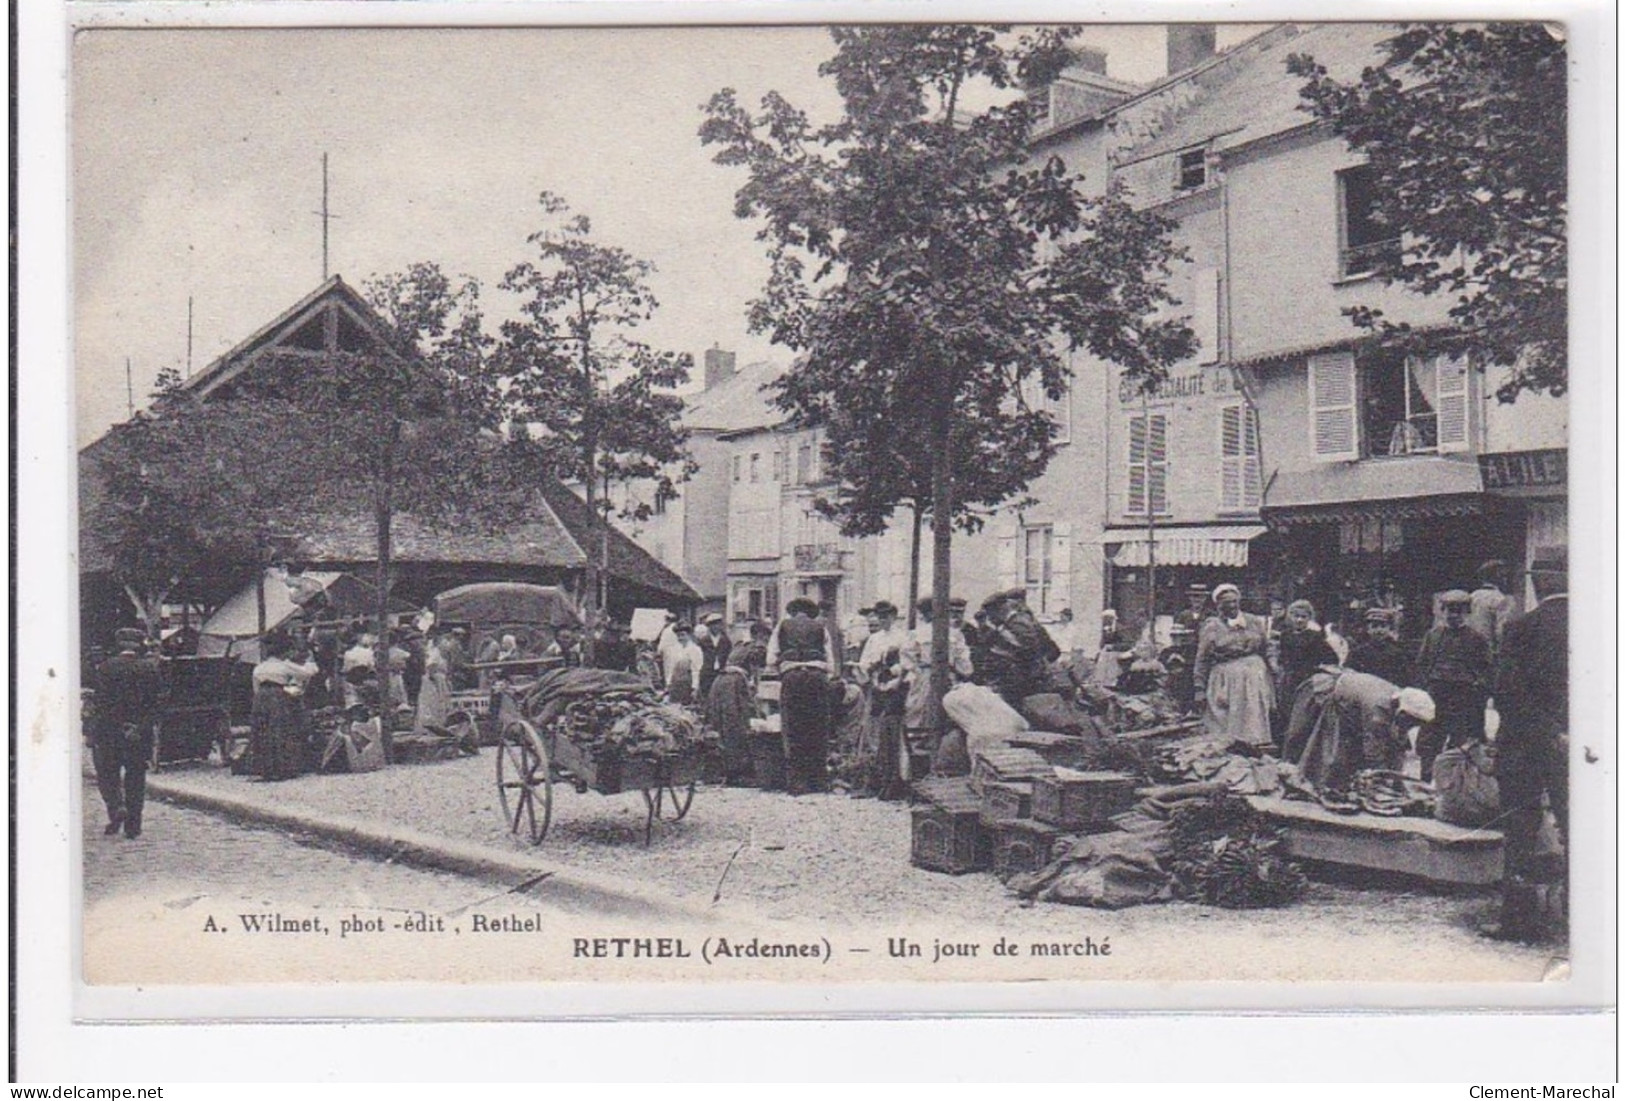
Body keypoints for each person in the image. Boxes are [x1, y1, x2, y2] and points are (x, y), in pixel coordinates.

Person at [1484, 553, 1568, 943]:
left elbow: (1505, 693)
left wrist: (1543, 731)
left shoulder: (1521, 628)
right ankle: (1586, 918)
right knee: (1585, 828)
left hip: (1525, 745)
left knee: (1519, 830)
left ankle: (1518, 920)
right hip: (1587, 746)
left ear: (1540, 583)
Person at [1282, 668, 1435, 799]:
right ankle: (1309, 785)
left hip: (1351, 700)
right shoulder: (1377, 708)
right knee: (1328, 753)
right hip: (1329, 693)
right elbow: (1373, 751)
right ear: (1404, 713)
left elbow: (1398, 743)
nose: (1413, 727)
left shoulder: (1398, 701)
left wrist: (1397, 779)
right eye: (1413, 722)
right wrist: (1384, 782)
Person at [90, 628, 164, 839]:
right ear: (139, 645)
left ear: (119, 644)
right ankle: (133, 827)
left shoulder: (105, 668)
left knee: (108, 774)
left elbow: (101, 704)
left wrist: (110, 727)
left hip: (110, 733)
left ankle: (116, 808)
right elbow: (157, 704)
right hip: (138, 734)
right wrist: (138, 727)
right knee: (136, 778)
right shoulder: (150, 669)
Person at [1414, 589, 1492, 781]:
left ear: (1466, 612)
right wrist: (1425, 687)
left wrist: (1477, 689)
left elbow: (1487, 669)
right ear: (1442, 611)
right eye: (1449, 610)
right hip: (1437, 695)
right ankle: (1426, 781)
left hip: (1464, 697)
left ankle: (1453, 785)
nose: (1453, 615)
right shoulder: (1433, 636)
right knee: (1429, 741)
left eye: (1458, 610)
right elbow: (1422, 663)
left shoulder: (1476, 638)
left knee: (1460, 744)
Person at [767, 598, 838, 795]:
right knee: (818, 726)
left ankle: (798, 782)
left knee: (793, 727)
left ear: (792, 611)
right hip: (816, 677)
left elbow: (771, 658)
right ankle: (818, 780)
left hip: (793, 677)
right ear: (811, 612)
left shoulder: (782, 626)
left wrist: (783, 667)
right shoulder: (820, 628)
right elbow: (830, 661)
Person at [1193, 583, 1274, 746]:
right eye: (1225, 602)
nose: (1231, 606)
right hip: (1225, 678)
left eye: (1234, 601)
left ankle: (1256, 747)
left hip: (1253, 676)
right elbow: (1202, 658)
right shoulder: (1212, 626)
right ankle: (1229, 748)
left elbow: (1268, 646)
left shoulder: (1253, 621)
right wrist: (1199, 688)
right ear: (1218, 605)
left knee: (1253, 715)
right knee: (1225, 717)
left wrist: (1273, 664)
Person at [902, 597, 973, 779]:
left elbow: (907, 661)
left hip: (925, 678)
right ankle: (947, 764)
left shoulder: (916, 634)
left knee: (918, 719)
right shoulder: (955, 634)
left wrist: (919, 671)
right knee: (952, 718)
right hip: (949, 678)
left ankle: (919, 770)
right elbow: (965, 666)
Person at [858, 600, 910, 799]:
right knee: (873, 728)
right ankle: (876, 775)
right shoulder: (874, 639)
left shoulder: (902, 636)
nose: (882, 620)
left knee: (892, 730)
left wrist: (891, 672)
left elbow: (905, 665)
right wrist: (872, 667)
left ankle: (894, 777)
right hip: (877, 686)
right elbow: (864, 663)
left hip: (895, 688)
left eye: (886, 616)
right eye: (879, 616)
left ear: (894, 616)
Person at [249, 638, 319, 781]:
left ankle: (264, 768)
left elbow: (255, 688)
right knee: (280, 730)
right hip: (277, 696)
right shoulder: (284, 665)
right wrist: (310, 660)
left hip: (261, 698)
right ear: (284, 653)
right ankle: (281, 767)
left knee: (263, 730)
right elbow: (308, 673)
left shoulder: (259, 667)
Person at [1274, 599, 1340, 741]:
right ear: (1289, 616)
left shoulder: (1315, 636)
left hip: (1307, 679)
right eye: (1295, 616)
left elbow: (1331, 657)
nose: (1299, 620)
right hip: (1289, 679)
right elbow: (1282, 656)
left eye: (1303, 617)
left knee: (1303, 711)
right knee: (1286, 709)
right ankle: (1285, 745)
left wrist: (1317, 668)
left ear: (1309, 618)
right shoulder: (1286, 635)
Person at [979, 590, 1059, 707]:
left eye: (992, 614)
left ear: (1001, 609)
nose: (991, 618)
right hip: (1023, 676)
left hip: (1026, 677)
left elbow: (1028, 648)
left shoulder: (1018, 622)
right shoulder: (1012, 622)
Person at [705, 653, 756, 786]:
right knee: (734, 739)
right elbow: (741, 704)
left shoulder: (720, 677)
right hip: (731, 716)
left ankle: (724, 772)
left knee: (722, 739)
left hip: (719, 714)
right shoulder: (738, 678)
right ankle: (736, 775)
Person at [1346, 607, 1411, 688]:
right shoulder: (1357, 653)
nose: (1379, 630)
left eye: (1383, 626)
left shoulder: (1398, 653)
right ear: (1368, 629)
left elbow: (1406, 679)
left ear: (1389, 628)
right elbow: (1350, 678)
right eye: (1374, 626)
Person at [1468, 560, 1517, 653]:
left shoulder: (1471, 596)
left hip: (1468, 649)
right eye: (1503, 576)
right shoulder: (1501, 599)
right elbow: (1502, 631)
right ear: (1498, 577)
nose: (1505, 580)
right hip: (1488, 651)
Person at [413, 632, 454, 736]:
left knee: (442, 703)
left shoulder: (440, 654)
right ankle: (429, 726)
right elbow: (430, 667)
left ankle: (440, 724)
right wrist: (435, 680)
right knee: (432, 703)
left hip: (440, 679)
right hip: (434, 681)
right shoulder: (435, 653)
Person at [663, 622, 704, 706]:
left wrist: (695, 688)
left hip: (688, 684)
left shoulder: (695, 650)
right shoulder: (673, 649)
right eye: (678, 636)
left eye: (683, 635)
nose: (680, 638)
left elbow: (696, 670)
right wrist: (668, 684)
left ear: (689, 635)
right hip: (676, 683)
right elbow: (670, 668)